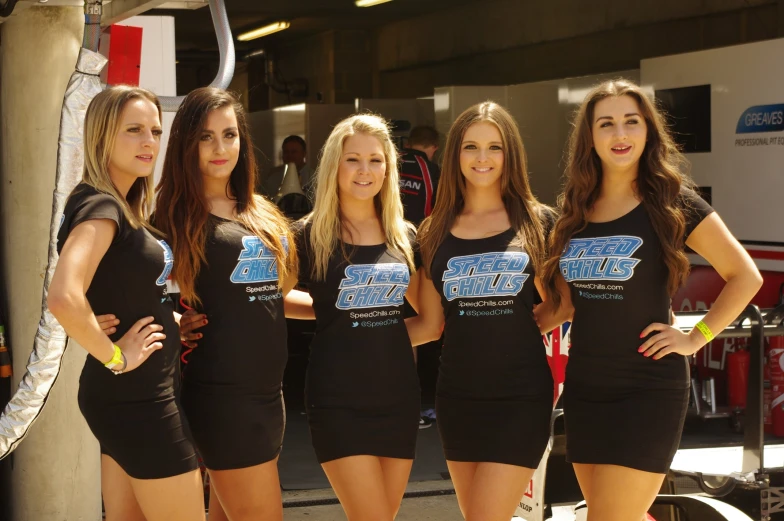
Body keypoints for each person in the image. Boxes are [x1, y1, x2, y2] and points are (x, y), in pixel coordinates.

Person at [537, 79, 763, 521]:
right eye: (606, 124)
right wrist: (491, 332)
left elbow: (744, 277)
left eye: (630, 122)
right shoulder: (574, 210)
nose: (620, 135)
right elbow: (562, 307)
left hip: (648, 389)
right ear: (590, 136)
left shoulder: (672, 202)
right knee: (612, 513)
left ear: (647, 131)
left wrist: (695, 337)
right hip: (585, 391)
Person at [153, 87, 312, 521]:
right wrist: (171, 320)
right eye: (206, 137)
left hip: (268, 396)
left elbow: (271, 295)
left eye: (229, 134)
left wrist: (332, 309)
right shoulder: (173, 216)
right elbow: (132, 293)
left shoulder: (260, 211)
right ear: (186, 142)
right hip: (222, 397)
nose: (221, 148)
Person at [48, 86, 205, 521]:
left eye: (155, 130)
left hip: (131, 396)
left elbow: (113, 284)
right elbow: (63, 296)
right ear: (101, 136)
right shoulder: (101, 206)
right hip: (139, 399)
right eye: (133, 130)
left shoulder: (119, 206)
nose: (149, 141)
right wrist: (116, 356)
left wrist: (169, 319)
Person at [405, 101, 555, 521]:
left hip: (520, 398)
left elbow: (565, 303)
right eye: (471, 147)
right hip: (457, 397)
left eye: (495, 147)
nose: (483, 158)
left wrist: (531, 325)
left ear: (512, 155)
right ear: (455, 155)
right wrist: (357, 338)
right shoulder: (433, 230)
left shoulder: (536, 221)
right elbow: (432, 322)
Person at [294, 114, 421, 521]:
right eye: (353, 160)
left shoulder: (405, 236)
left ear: (388, 167)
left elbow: (431, 320)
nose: (365, 171)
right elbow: (265, 297)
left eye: (376, 160)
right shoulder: (307, 235)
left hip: (398, 399)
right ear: (334, 164)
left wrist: (375, 327)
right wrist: (328, 311)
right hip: (337, 401)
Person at [399, 125, 441, 226]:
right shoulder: (431, 169)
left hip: (388, 228)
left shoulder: (389, 162)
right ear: (434, 147)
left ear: (407, 144)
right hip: (419, 232)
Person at [260, 135, 315, 201]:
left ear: (304, 153)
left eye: (294, 152)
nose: (289, 155)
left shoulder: (315, 178)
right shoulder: (272, 180)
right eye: (286, 152)